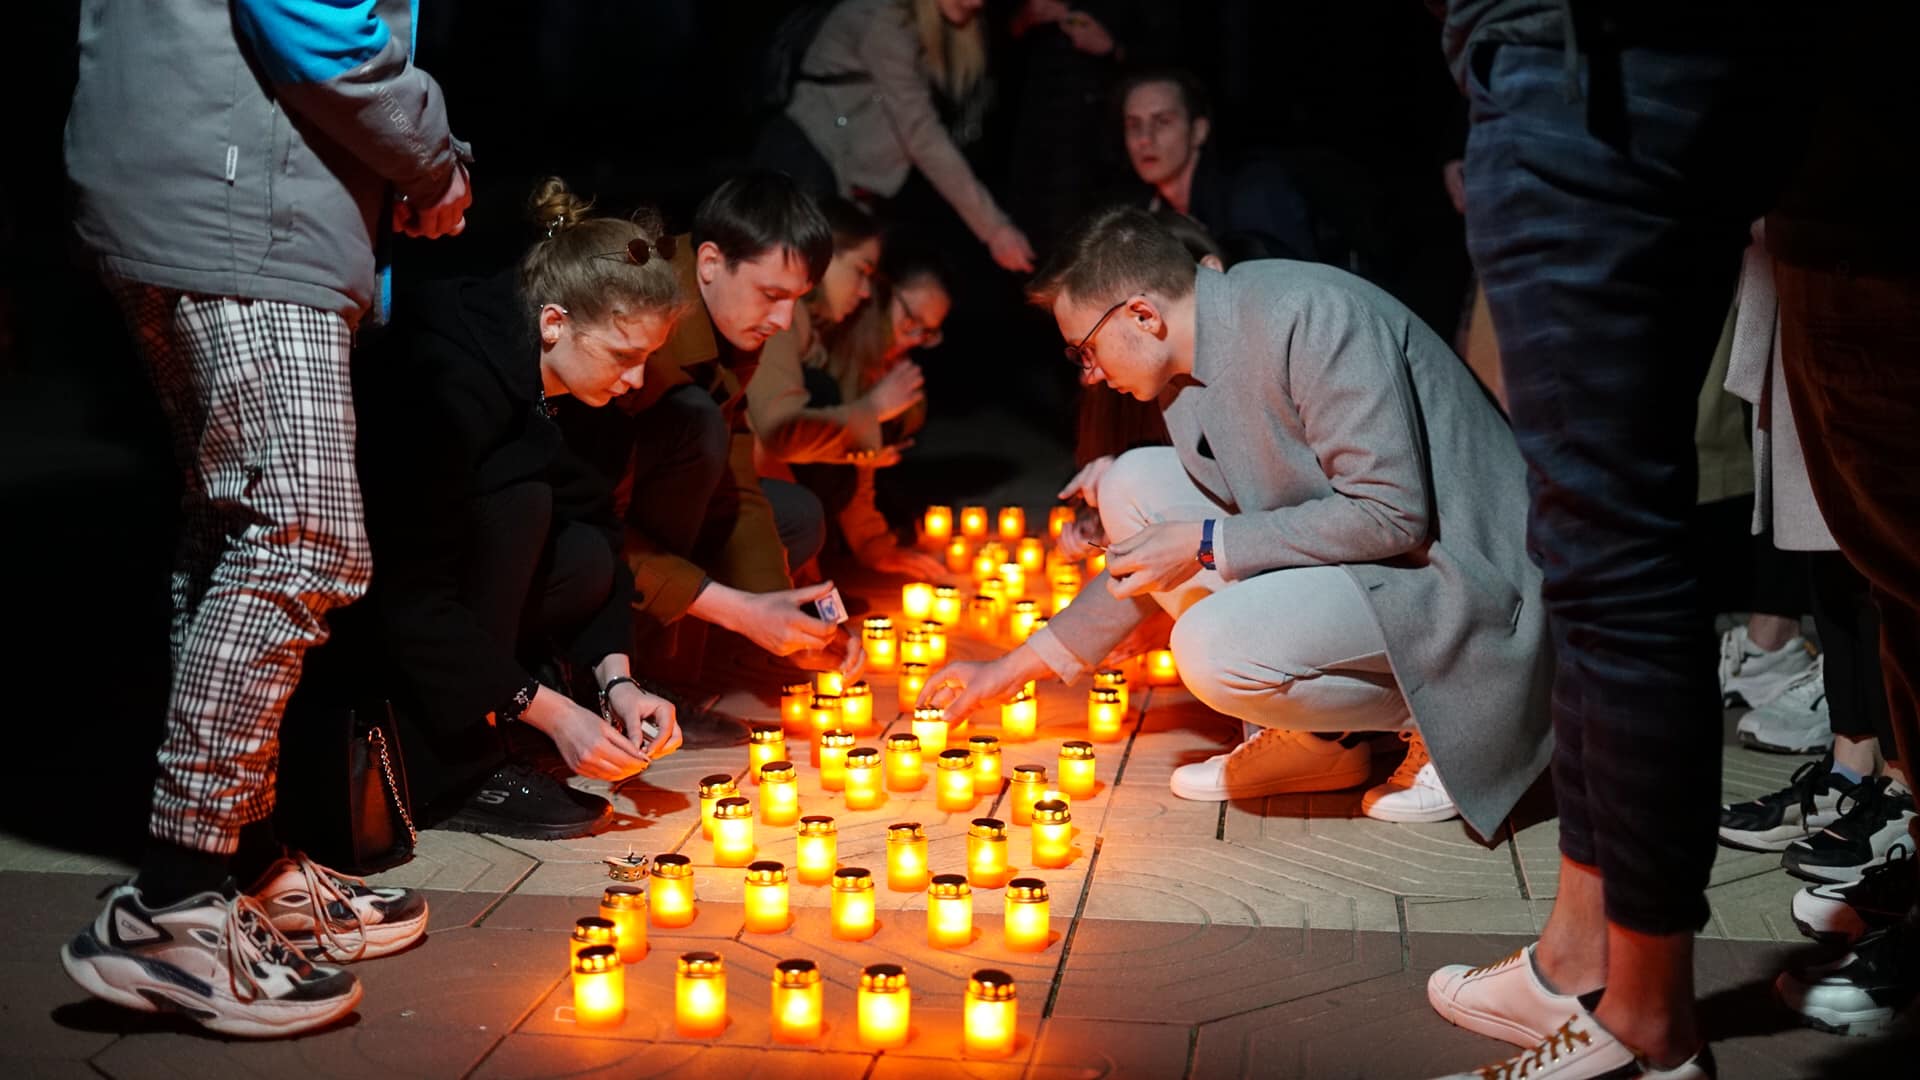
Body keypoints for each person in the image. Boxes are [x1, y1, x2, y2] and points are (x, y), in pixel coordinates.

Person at [59, 0, 469, 1036]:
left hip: (196, 181)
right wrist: (429, 161)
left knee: (230, 535)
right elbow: (311, 18)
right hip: (242, 197)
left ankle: (238, 868)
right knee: (301, 535)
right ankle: (173, 907)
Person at [1424, 3, 1808, 1076]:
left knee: (1613, 552)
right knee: (1593, 537)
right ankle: (1579, 956)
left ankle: (1643, 1021)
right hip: (1642, 64)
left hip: (1582, 68)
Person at [921, 207, 1551, 834]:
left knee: (1209, 648)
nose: (1089, 375)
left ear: (1143, 315)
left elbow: (1391, 514)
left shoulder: (1309, 317)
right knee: (1130, 483)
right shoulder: (1187, 366)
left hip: (1460, 579)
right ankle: (1322, 742)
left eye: (1085, 349)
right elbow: (1159, 558)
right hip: (1371, 561)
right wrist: (1008, 669)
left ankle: (1455, 720)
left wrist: (1206, 542)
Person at [347, 179, 685, 841]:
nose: (637, 380)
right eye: (624, 356)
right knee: (522, 502)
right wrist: (551, 713)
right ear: (554, 322)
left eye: (648, 358)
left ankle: (509, 693)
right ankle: (456, 769)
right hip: (369, 617)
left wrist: (617, 680)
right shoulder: (444, 379)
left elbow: (602, 533)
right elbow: (409, 597)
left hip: (448, 605)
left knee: (584, 551)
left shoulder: (581, 389)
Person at [558, 172, 857, 681]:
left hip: (642, 499)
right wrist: (737, 610)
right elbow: (588, 514)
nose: (784, 321)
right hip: (572, 522)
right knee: (697, 422)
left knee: (797, 517)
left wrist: (779, 613)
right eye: (771, 294)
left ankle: (709, 635)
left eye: (797, 299)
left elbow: (735, 475)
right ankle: (648, 674)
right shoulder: (635, 327)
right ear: (711, 262)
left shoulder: (729, 323)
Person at [757, 0, 1037, 273]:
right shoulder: (882, 18)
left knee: (839, 275)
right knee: (788, 270)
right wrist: (994, 228)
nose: (978, 3)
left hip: (846, 178)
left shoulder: (933, 31)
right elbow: (922, 135)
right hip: (805, 157)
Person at [752, 226, 954, 580]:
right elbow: (781, 436)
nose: (913, 338)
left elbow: (855, 461)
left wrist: (873, 544)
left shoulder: (880, 360)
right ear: (880, 291)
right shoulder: (820, 333)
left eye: (927, 333)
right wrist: (871, 417)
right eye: (910, 319)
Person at [1118, 67, 1320, 267]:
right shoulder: (1140, 208)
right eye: (1134, 125)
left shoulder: (1252, 190)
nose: (1144, 138)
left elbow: (1286, 276)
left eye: (1163, 122)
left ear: (1198, 131)